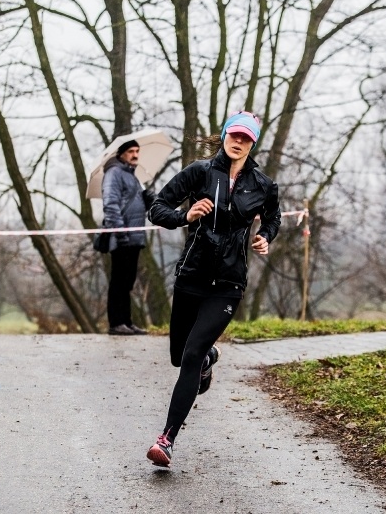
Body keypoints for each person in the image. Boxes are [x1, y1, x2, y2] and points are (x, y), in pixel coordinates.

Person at [144, 111, 281, 467]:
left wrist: (265, 236)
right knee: (180, 356)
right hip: (192, 277)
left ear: (253, 143)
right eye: (234, 135)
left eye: (246, 138)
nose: (239, 142)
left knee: (189, 356)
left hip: (228, 284)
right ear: (224, 136)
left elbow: (273, 216)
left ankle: (167, 439)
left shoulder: (263, 185)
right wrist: (184, 217)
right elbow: (157, 209)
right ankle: (208, 358)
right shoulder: (199, 172)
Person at [101, 139, 153, 336]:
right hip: (122, 236)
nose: (135, 155)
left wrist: (148, 200)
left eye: (137, 151)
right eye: (131, 151)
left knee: (128, 281)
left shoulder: (133, 177)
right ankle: (116, 323)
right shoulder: (114, 173)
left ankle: (127, 322)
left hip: (135, 237)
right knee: (119, 281)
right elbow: (111, 204)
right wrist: (119, 232)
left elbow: (134, 204)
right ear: (121, 154)